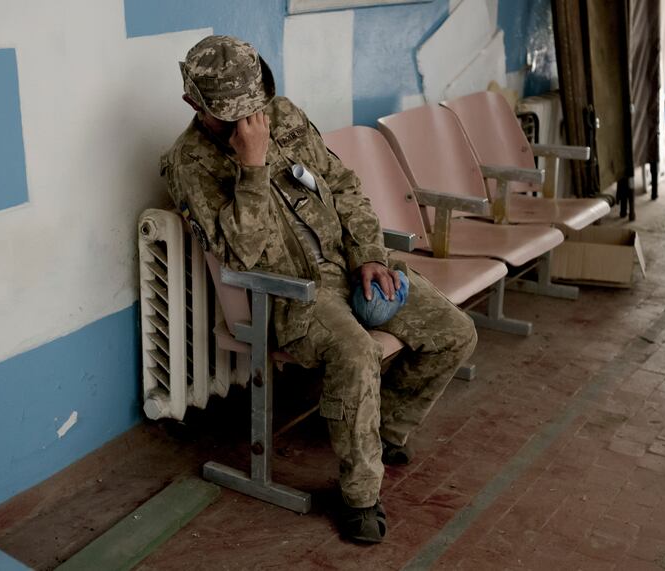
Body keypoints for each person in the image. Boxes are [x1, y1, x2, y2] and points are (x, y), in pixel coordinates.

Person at [161, 35, 477, 544]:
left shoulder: (284, 114)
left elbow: (344, 185)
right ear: (192, 103)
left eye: (253, 107)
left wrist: (369, 255)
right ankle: (360, 497)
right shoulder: (188, 164)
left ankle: (384, 429)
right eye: (231, 115)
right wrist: (252, 167)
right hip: (291, 295)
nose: (248, 123)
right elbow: (241, 254)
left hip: (349, 264)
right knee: (357, 353)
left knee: (455, 333)